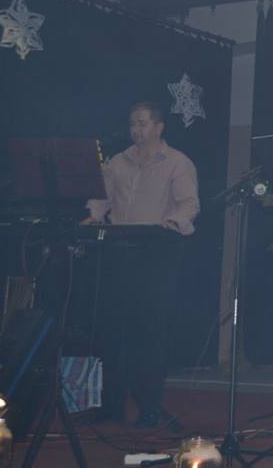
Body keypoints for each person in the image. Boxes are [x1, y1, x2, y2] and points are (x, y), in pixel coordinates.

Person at [83, 102, 199, 427]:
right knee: (111, 331)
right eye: (132, 123)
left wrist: (172, 222)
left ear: (159, 127)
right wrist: (93, 217)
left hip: (155, 255)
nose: (136, 129)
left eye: (142, 123)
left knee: (149, 334)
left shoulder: (177, 163)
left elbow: (189, 203)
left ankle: (149, 407)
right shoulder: (118, 161)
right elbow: (101, 198)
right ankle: (111, 407)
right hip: (118, 251)